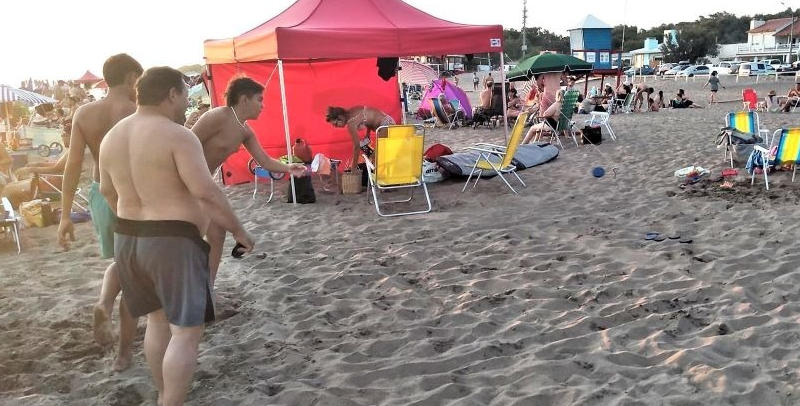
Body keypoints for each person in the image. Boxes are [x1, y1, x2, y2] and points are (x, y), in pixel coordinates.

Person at [99, 66, 254, 406]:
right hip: (171, 240)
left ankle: (164, 396)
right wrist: (239, 231)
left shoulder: (112, 137)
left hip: (128, 237)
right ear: (171, 94)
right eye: (185, 93)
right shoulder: (176, 135)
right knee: (186, 331)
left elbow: (107, 191)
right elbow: (206, 192)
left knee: (157, 321)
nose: (187, 101)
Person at [57, 53, 143, 371]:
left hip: (98, 194)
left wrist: (65, 215)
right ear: (132, 77)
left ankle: (105, 303)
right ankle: (123, 352)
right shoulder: (136, 112)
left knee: (122, 261)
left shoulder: (85, 113)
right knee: (133, 271)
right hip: (131, 195)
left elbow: (72, 165)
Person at [191, 77, 306, 284]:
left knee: (217, 234)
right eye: (259, 100)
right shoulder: (217, 116)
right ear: (244, 100)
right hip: (188, 182)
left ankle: (207, 290)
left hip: (204, 184)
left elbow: (264, 160)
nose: (263, 105)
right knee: (195, 237)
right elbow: (186, 143)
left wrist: (289, 168)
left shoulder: (245, 130)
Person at [325, 105, 395, 167]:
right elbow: (369, 116)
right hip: (388, 121)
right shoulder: (354, 109)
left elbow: (356, 147)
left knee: (375, 158)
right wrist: (368, 134)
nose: (336, 127)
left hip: (385, 126)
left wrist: (353, 168)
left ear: (340, 118)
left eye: (336, 124)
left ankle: (383, 178)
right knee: (376, 156)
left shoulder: (351, 124)